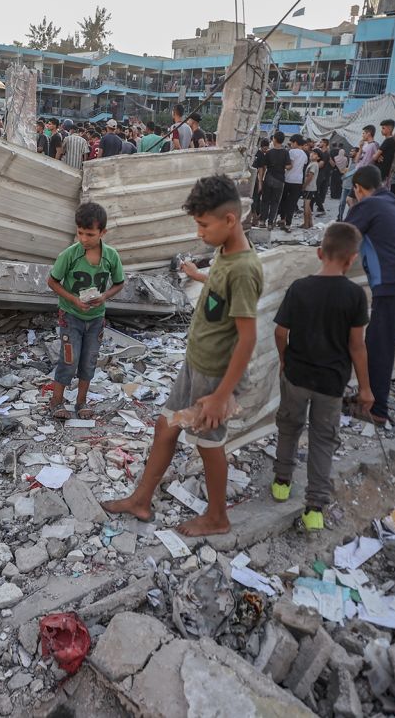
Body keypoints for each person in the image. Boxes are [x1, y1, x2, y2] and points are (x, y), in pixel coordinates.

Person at [102, 175, 262, 537]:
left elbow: (247, 339)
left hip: (214, 377)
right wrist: (198, 275)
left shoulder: (245, 270)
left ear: (230, 220)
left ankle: (218, 517)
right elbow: (222, 291)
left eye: (204, 225)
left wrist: (222, 395)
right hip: (195, 364)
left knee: (208, 445)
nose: (200, 233)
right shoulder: (227, 253)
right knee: (165, 425)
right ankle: (141, 500)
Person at [270, 223, 373, 531]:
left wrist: (284, 358)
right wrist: (366, 389)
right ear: (351, 258)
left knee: (289, 427)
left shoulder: (299, 287)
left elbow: (280, 331)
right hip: (331, 383)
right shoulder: (355, 296)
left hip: (296, 374)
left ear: (319, 252)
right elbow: (357, 346)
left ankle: (281, 482)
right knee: (323, 439)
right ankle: (314, 507)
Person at [345, 165, 395, 426]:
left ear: (358, 188)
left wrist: (352, 208)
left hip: (391, 283)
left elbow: (342, 237)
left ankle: (376, 409)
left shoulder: (366, 205)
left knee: (378, 347)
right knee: (385, 344)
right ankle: (369, 397)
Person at [46, 202, 127, 420]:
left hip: (96, 318)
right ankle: (56, 402)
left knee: (89, 360)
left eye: (89, 234)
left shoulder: (111, 256)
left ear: (103, 233)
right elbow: (52, 282)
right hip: (71, 316)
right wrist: (73, 300)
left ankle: (81, 402)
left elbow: (119, 283)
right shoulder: (70, 255)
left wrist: (104, 297)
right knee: (69, 360)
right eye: (80, 233)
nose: (83, 239)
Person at [257, 132, 290, 229]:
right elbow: (288, 166)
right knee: (275, 202)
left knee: (265, 201)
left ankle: (262, 221)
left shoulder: (269, 152)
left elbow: (264, 167)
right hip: (279, 180)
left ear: (274, 139)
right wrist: (282, 166)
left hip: (269, 178)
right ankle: (271, 223)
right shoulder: (285, 152)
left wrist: (261, 181)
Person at [279, 136, 307, 231]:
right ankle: (288, 224)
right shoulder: (304, 155)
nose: (290, 145)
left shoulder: (291, 152)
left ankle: (282, 219)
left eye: (291, 143)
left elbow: (289, 166)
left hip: (288, 179)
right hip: (298, 181)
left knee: (283, 200)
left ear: (295, 143)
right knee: (292, 203)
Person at [301, 145, 320, 229]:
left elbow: (310, 177)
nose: (312, 154)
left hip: (309, 187)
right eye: (312, 153)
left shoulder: (314, 165)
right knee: (307, 206)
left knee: (306, 206)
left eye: (315, 154)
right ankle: (310, 223)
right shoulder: (312, 163)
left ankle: (306, 223)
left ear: (318, 157)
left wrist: (304, 186)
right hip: (310, 187)